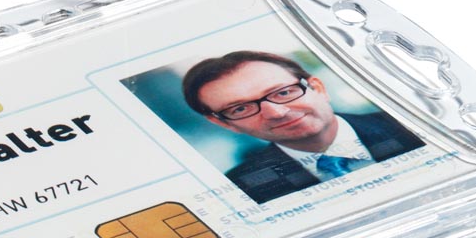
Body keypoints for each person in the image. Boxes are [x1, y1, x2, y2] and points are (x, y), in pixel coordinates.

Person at [181, 50, 424, 205]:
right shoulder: (238, 190)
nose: (277, 112)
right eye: (240, 108)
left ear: (318, 88)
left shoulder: (412, 125)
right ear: (224, 123)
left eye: (283, 92)